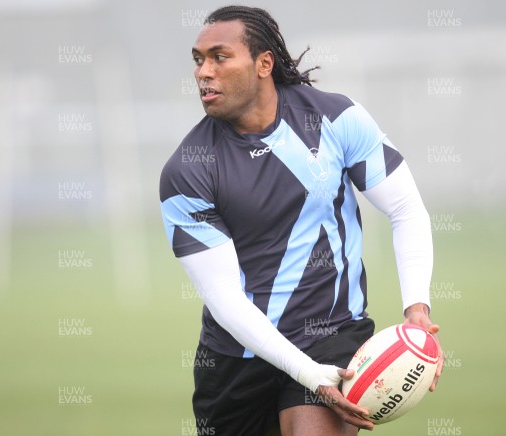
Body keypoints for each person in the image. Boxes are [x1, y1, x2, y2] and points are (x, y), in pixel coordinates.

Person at [160, 5, 443, 435]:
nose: (204, 72)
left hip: (330, 334)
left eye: (220, 56)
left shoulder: (336, 119)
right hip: (235, 357)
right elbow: (225, 298)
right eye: (198, 60)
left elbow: (406, 210)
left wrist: (417, 308)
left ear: (263, 64)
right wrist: (305, 372)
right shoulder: (188, 170)